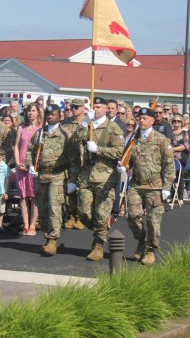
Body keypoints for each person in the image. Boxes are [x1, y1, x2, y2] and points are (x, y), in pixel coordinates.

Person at [118, 107, 174, 265]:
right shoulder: (134, 139)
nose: (141, 120)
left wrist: (166, 187)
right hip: (136, 185)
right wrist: (124, 166)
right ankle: (141, 241)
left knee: (153, 221)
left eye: (144, 118)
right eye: (139, 118)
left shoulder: (161, 139)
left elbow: (169, 165)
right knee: (133, 216)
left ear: (152, 121)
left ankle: (150, 250)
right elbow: (128, 159)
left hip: (154, 186)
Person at [74, 97, 124, 261]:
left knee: (101, 214)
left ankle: (98, 246)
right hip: (86, 176)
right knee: (83, 213)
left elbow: (119, 152)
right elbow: (75, 141)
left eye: (99, 107)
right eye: (93, 106)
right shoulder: (87, 125)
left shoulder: (113, 128)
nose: (95, 109)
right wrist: (83, 123)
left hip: (105, 177)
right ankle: (99, 229)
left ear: (106, 109)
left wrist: (99, 149)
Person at [27, 104, 79, 255]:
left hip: (58, 175)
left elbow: (74, 159)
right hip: (41, 176)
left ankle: (52, 239)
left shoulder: (65, 133)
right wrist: (31, 165)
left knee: (54, 207)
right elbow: (30, 150)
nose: (50, 116)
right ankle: (46, 234)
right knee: (42, 208)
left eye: (53, 114)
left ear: (60, 116)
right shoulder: (40, 133)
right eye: (48, 114)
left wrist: (73, 180)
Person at [14, 102, 41, 236]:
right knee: (23, 196)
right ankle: (25, 224)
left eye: (34, 110)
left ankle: (32, 224)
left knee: (34, 196)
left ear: (38, 112)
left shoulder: (41, 128)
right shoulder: (21, 128)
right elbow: (17, 147)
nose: (31, 113)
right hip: (21, 165)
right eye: (29, 110)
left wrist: (32, 165)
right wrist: (18, 163)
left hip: (33, 166)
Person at [60, 98, 87, 230]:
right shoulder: (65, 123)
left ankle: (81, 217)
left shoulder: (88, 123)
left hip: (84, 161)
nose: (73, 110)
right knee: (70, 189)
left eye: (76, 107)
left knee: (82, 190)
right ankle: (71, 215)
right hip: (69, 161)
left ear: (83, 108)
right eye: (72, 107)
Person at [170, 114, 190, 200]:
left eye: (178, 121)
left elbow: (186, 145)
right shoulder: (170, 132)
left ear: (181, 123)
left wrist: (174, 149)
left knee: (179, 178)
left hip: (181, 158)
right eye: (174, 121)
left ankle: (180, 198)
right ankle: (170, 196)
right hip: (170, 158)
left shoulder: (184, 133)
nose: (176, 123)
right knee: (169, 177)